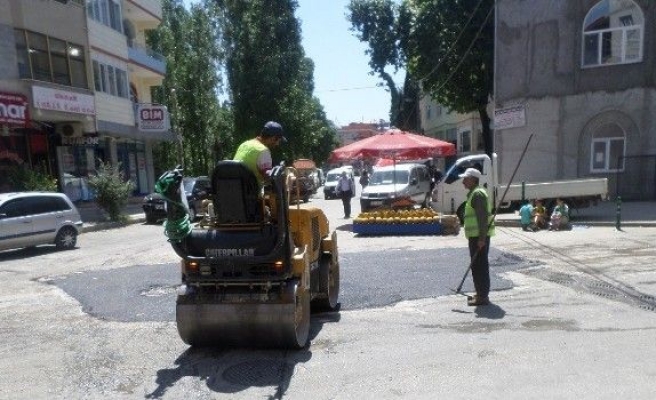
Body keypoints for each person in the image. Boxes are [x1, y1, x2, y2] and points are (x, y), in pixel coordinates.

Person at [459, 167, 495, 306]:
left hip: (479, 237)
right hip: (475, 237)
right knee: (477, 266)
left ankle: (483, 296)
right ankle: (480, 293)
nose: (463, 182)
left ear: (473, 179)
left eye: (465, 179)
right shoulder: (474, 193)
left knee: (480, 266)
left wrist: (481, 238)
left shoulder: (478, 194)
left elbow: (482, 218)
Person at [233, 121, 286, 185]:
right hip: (250, 192)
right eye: (278, 141)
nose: (277, 144)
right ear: (273, 138)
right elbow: (268, 179)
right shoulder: (263, 151)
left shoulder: (244, 144)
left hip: (233, 189)